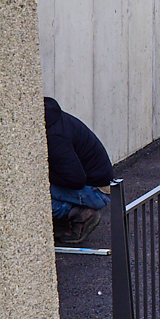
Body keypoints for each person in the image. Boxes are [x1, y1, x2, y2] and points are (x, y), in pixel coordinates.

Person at [46, 97, 113, 245]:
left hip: (96, 192)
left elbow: (75, 179)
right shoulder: (54, 120)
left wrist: (43, 174)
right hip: (98, 184)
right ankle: (61, 225)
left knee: (33, 195)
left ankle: (81, 215)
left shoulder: (54, 136)